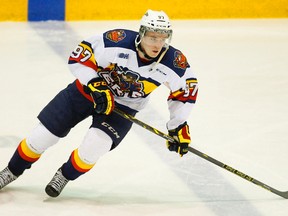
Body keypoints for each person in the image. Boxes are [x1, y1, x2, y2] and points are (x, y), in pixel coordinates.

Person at [0, 9, 198, 198]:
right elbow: (79, 56)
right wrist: (94, 83)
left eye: (163, 39)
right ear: (142, 34)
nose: (158, 44)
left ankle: (64, 175)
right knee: (42, 136)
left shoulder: (174, 62)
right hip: (86, 92)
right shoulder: (117, 41)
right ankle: (11, 170)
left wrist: (177, 125)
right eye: (153, 37)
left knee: (93, 149)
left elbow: (185, 93)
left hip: (123, 108)